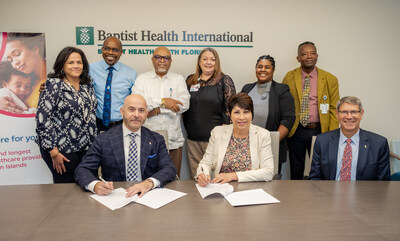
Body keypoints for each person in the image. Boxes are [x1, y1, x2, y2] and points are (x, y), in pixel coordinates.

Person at [74, 94, 177, 198]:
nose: (136, 115)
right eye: (131, 109)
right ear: (122, 111)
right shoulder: (104, 139)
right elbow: (82, 170)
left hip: (146, 196)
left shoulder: (156, 139)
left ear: (146, 114)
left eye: (141, 111)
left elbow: (169, 169)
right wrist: (95, 185)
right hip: (114, 197)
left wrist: (149, 183)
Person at [36, 47, 97, 183]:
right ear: (62, 65)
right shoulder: (53, 85)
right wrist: (54, 152)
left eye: (79, 62)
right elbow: (43, 120)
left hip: (86, 148)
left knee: (86, 186)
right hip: (62, 150)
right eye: (71, 62)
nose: (76, 66)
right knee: (66, 192)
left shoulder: (87, 84)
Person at [282, 41, 340, 180]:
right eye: (304, 54)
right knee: (296, 170)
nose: (309, 56)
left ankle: (321, 199)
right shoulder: (289, 77)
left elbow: (334, 108)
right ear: (298, 58)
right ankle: (296, 199)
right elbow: (284, 105)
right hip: (297, 130)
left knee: (321, 168)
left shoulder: (330, 79)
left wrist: (331, 133)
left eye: (312, 53)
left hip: (320, 130)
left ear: (317, 56)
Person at [132, 47, 190, 177]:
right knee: (147, 180)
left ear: (171, 61)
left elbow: (184, 104)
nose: (162, 61)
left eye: (166, 58)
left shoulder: (178, 79)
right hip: (148, 139)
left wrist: (156, 110)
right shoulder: (142, 79)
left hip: (173, 139)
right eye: (158, 57)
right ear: (152, 60)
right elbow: (138, 103)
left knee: (173, 181)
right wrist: (164, 102)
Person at [196, 93, 274, 186]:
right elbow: (205, 163)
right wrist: (202, 174)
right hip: (221, 188)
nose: (242, 117)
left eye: (246, 112)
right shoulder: (217, 132)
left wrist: (233, 176)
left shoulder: (263, 135)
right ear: (229, 114)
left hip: (251, 189)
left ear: (252, 114)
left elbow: (268, 172)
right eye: (237, 112)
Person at [183, 47, 236, 178]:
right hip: (193, 140)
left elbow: (231, 107)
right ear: (199, 62)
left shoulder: (224, 80)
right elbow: (184, 105)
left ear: (216, 62)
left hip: (215, 140)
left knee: (215, 180)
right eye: (205, 59)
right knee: (197, 179)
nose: (208, 62)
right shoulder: (190, 80)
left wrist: (223, 133)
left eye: (212, 59)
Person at [309, 96, 390, 180]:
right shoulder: (322, 141)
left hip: (364, 192)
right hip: (329, 192)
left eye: (354, 112)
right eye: (344, 112)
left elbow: (383, 183)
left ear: (361, 114)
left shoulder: (379, 144)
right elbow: (315, 179)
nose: (349, 116)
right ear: (337, 114)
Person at [241, 55, 295, 174]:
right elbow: (238, 113)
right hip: (247, 146)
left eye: (267, 67)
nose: (263, 70)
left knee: (270, 183)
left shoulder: (282, 90)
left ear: (273, 70)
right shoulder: (247, 88)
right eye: (260, 67)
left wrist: (271, 143)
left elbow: (288, 119)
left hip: (270, 147)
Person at [90, 36, 136, 132]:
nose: (110, 52)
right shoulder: (90, 69)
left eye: (115, 50)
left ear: (121, 52)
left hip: (121, 125)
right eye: (107, 48)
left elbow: (133, 101)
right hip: (96, 124)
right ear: (102, 49)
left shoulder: (131, 73)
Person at [1, 33, 46, 112]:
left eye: (17, 54)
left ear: (35, 49)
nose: (15, 63)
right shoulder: (23, 80)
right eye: (11, 60)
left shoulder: (52, 81)